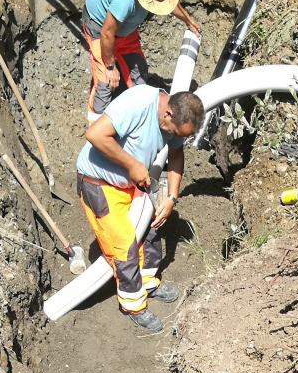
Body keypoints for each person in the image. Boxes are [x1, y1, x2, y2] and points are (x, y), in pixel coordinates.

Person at [76, 85, 204, 331]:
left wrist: (171, 197)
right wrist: (133, 165)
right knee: (123, 246)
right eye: (177, 132)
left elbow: (176, 156)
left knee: (151, 227)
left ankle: (148, 282)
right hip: (99, 183)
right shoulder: (137, 104)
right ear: (167, 114)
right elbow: (94, 134)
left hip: (131, 182)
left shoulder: (176, 122)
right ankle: (132, 303)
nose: (177, 138)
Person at [82, 0, 201, 124]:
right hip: (99, 25)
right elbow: (106, 33)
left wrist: (188, 20)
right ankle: (95, 128)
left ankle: (135, 115)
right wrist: (110, 66)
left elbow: (166, 1)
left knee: (139, 69)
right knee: (105, 82)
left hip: (125, 26)